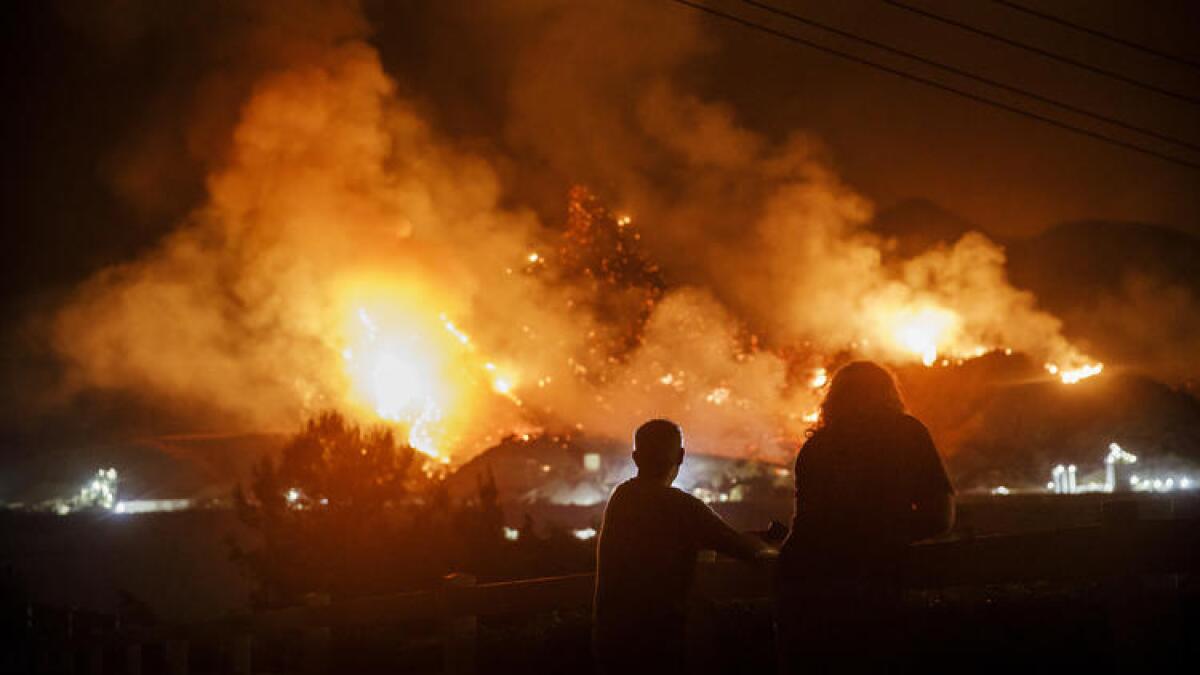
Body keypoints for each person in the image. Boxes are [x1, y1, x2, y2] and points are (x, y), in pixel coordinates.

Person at [776, 361, 954, 672]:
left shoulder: (817, 447)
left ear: (834, 399)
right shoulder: (907, 434)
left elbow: (807, 524)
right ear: (888, 394)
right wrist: (888, 533)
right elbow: (940, 514)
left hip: (807, 586)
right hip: (874, 585)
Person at [593, 418, 771, 673]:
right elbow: (740, 547)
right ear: (681, 456)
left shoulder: (622, 497)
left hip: (612, 645)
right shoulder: (681, 506)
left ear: (635, 458)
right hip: (657, 647)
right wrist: (769, 548)